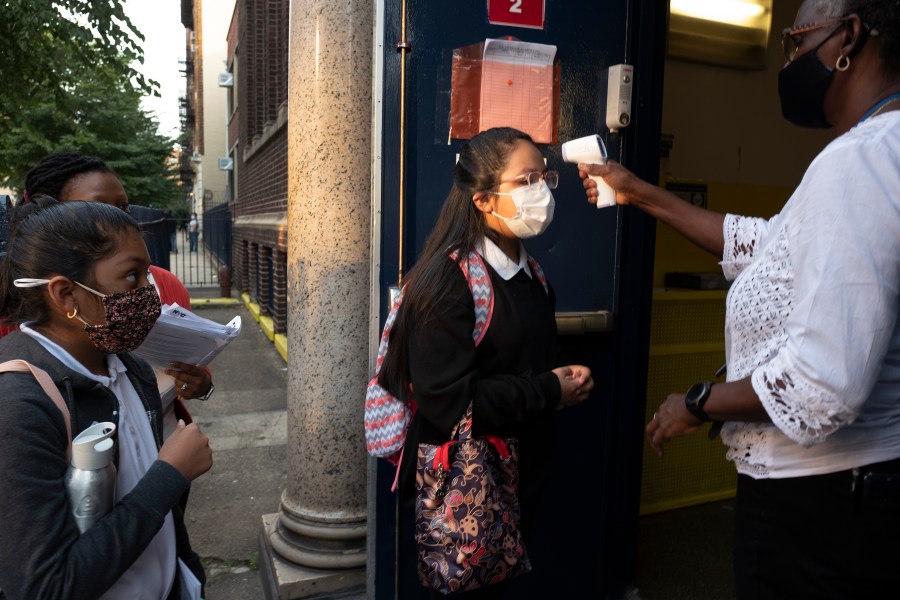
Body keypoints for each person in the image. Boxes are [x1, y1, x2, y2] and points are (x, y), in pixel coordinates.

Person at [580, 1, 900, 597]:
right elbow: (764, 242)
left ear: (848, 37)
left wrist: (698, 403)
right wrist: (636, 193)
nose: (792, 62)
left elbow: (821, 388)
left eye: (797, 43)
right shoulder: (880, 152)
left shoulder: (858, 163)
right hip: (859, 497)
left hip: (822, 510)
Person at [378, 127, 594, 598]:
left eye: (545, 177)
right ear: (483, 200)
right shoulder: (446, 281)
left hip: (520, 477)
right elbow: (450, 402)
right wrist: (549, 391)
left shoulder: (530, 273)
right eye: (527, 179)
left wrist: (562, 376)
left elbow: (527, 358)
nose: (542, 190)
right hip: (465, 486)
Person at [0, 197, 212, 598]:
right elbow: (45, 587)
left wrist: (188, 578)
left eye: (147, 275)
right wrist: (169, 477)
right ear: (65, 296)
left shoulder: (127, 364)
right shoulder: (18, 404)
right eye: (132, 277)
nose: (149, 293)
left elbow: (158, 519)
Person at [15, 152, 215, 435]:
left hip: (165, 441)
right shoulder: (20, 311)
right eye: (96, 207)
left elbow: (194, 366)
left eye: (123, 206)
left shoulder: (166, 285)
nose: (117, 218)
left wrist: (199, 384)